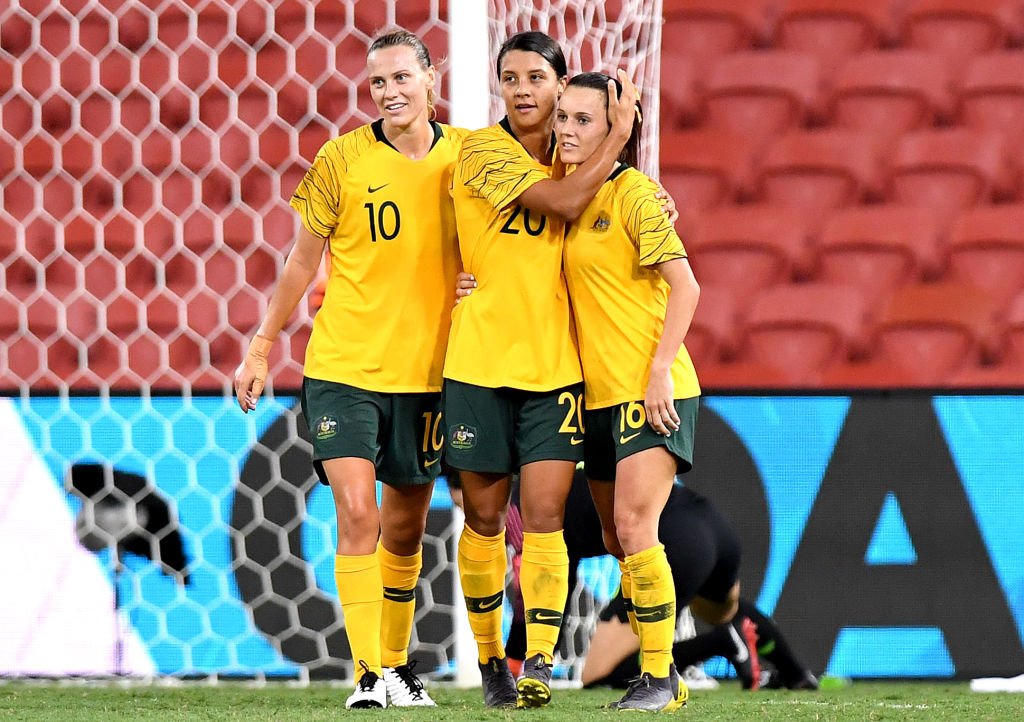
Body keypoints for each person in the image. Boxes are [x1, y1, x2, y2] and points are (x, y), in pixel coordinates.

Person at [234, 28, 467, 709]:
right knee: (357, 512)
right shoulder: (340, 160)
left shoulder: (471, 160)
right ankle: (368, 674)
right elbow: (302, 263)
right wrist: (260, 346)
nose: (390, 92)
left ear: (431, 77)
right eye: (377, 84)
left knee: (404, 525)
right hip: (343, 367)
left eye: (401, 77)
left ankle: (396, 665)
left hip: (428, 375)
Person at [442, 31, 639, 709]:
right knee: (487, 521)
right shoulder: (481, 150)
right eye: (511, 77)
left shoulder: (579, 153)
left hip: (554, 370)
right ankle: (491, 659)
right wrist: (618, 137)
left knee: (548, 516)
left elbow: (615, 213)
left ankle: (540, 662)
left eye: (536, 78)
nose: (523, 90)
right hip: (477, 365)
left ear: (562, 86)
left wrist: (645, 192)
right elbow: (560, 204)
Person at [554, 71, 703, 712]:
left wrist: (660, 369)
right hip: (594, 396)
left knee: (635, 526)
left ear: (618, 127)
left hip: (650, 387)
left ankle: (658, 678)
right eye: (562, 116)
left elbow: (687, 287)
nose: (566, 129)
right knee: (617, 540)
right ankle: (666, 669)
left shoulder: (637, 196)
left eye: (583, 119)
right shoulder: (555, 199)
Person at [493, 471, 818, 693]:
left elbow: (543, 592)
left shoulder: (518, 510)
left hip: (674, 544)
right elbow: (559, 583)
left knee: (601, 675)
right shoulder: (550, 478)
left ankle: (724, 643)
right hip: (712, 526)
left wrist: (514, 660)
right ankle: (796, 674)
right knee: (722, 611)